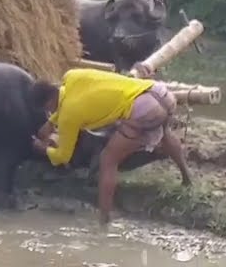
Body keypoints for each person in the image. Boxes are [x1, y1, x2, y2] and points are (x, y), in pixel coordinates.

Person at [32, 65, 192, 225]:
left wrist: (43, 148)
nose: (50, 112)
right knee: (166, 134)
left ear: (49, 102)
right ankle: (186, 178)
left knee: (108, 160)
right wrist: (51, 123)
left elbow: (63, 156)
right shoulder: (71, 76)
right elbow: (68, 99)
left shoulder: (69, 116)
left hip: (144, 109)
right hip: (159, 93)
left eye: (49, 109)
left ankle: (104, 220)